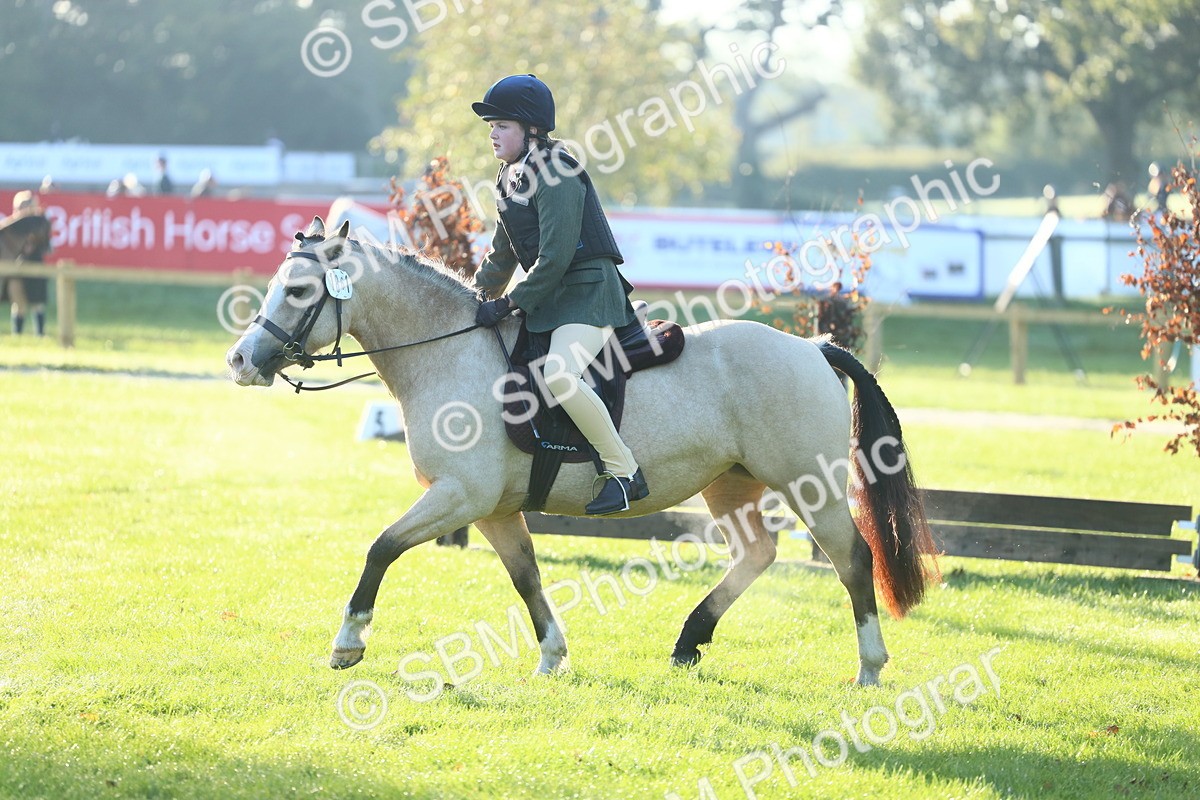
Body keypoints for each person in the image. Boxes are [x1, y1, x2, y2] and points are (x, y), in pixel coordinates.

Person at [470, 74, 648, 515]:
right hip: (552, 299)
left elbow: (555, 256)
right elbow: (502, 253)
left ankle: (624, 472)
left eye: (502, 125)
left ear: (532, 129)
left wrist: (510, 302)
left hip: (588, 296)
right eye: (491, 126)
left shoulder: (556, 172)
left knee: (559, 374)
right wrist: (473, 298)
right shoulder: (509, 176)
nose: (493, 133)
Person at [1, 191, 52, 336]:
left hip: (34, 266)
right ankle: (17, 336)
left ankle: (40, 336)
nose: (24, 209)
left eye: (27, 205)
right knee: (18, 303)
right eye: (21, 206)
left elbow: (47, 247)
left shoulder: (40, 224)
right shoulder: (10, 226)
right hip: (16, 268)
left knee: (37, 303)